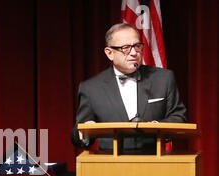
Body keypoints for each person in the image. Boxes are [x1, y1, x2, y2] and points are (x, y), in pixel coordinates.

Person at [71, 23, 186, 152]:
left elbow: (179, 117)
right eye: (125, 48)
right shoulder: (91, 88)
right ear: (110, 53)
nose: (134, 53)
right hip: (109, 166)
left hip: (155, 162)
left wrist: (157, 127)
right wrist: (85, 131)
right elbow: (78, 134)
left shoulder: (163, 79)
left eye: (137, 46)